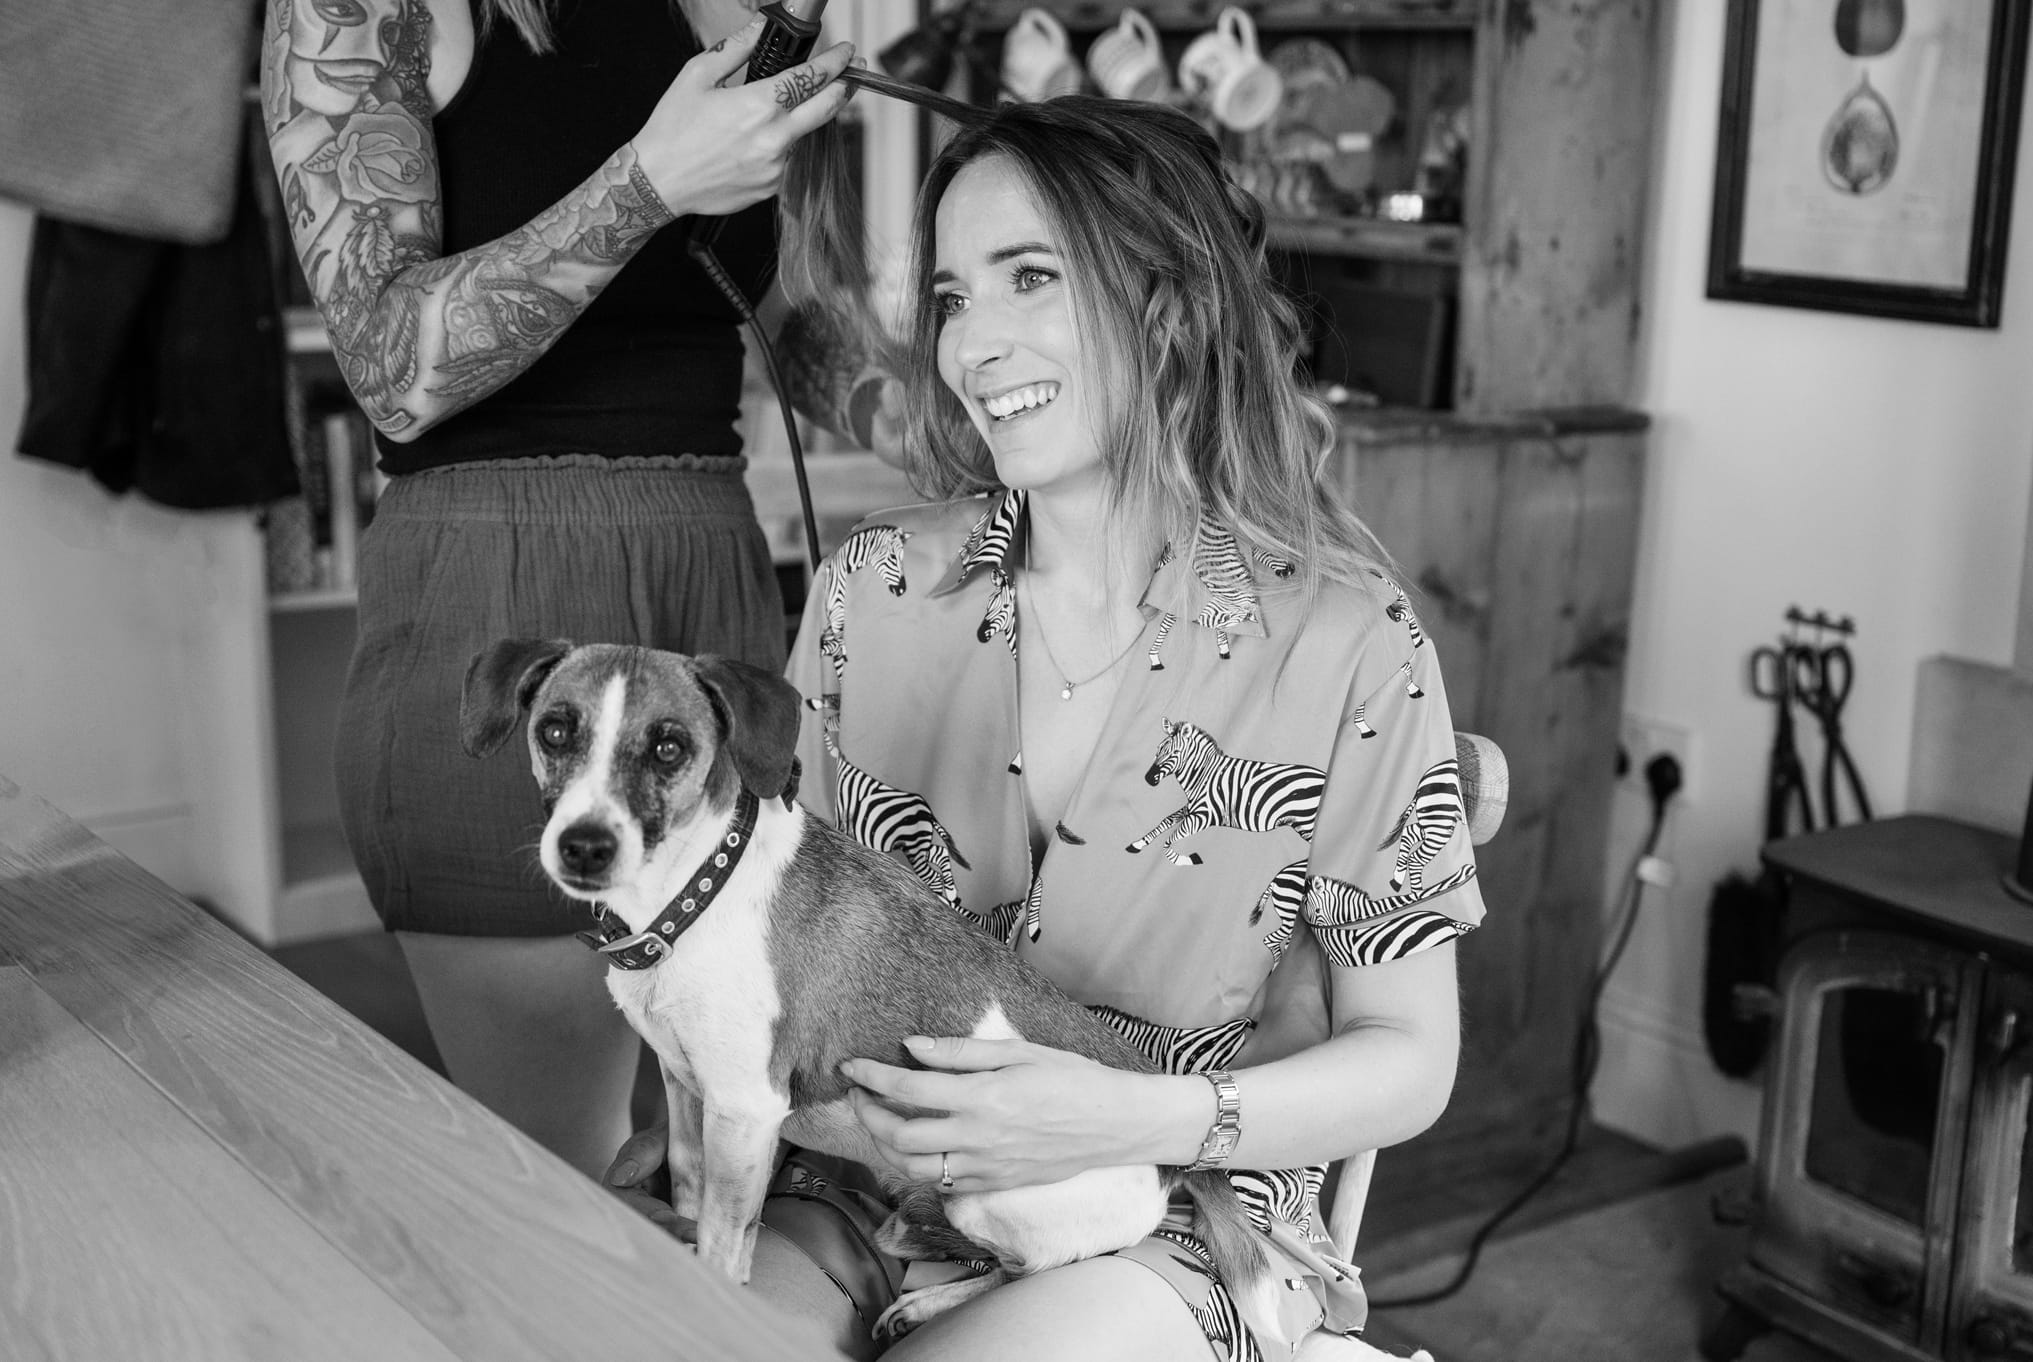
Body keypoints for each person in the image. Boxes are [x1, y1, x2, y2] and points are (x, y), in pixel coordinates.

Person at [608, 92, 1483, 1362]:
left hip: (1169, 1210)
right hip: (846, 1178)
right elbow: (745, 912)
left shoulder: (1344, 644)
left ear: (1171, 300)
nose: (972, 345)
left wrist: (1124, 1119)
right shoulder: (870, 594)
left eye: (1030, 277)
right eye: (955, 297)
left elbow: (1408, 1061)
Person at [258, 0, 897, 1181]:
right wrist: (649, 178)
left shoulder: (731, 10)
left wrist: (931, 420)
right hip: (498, 591)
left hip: (712, 587)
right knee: (565, 1185)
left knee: (735, 1155)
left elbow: (777, 296)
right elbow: (391, 368)